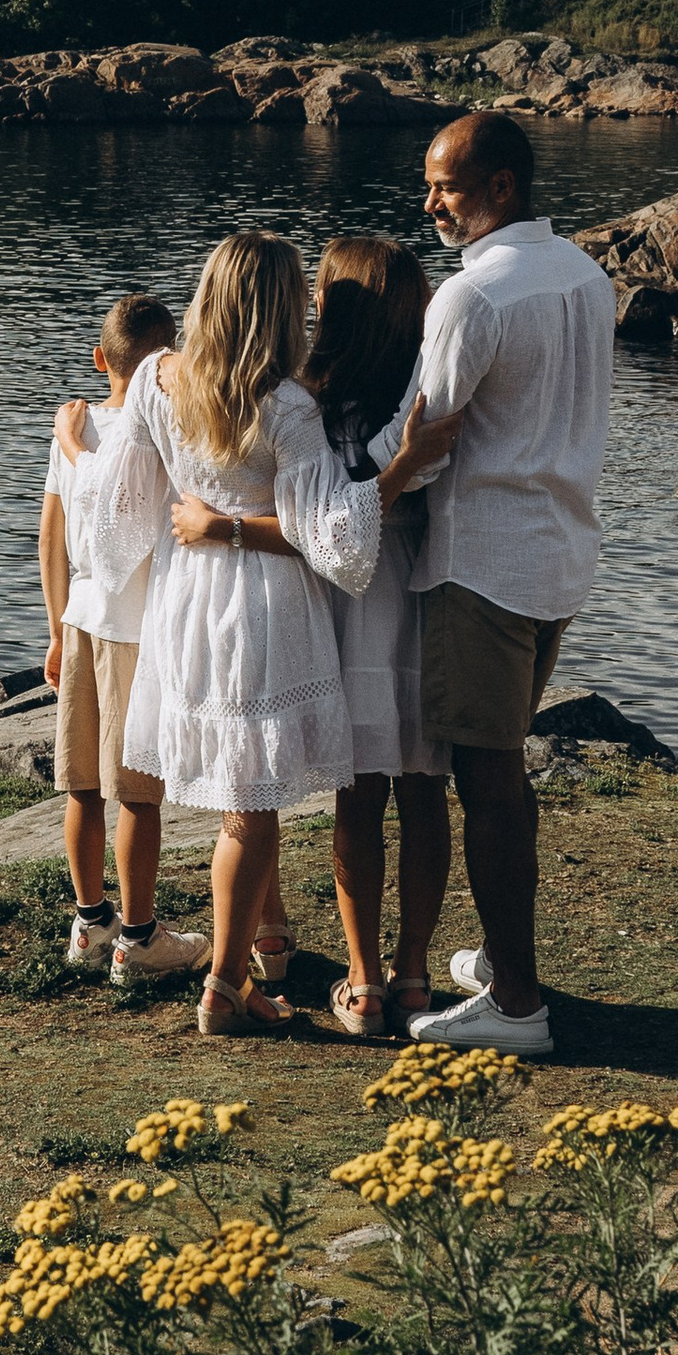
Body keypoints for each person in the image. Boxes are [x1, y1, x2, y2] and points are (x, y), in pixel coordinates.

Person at [67, 230, 455, 1040]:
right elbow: (335, 537)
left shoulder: (153, 380)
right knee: (251, 807)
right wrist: (401, 466)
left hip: (185, 603)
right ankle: (222, 987)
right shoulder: (288, 407)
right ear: (281, 306)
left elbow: (123, 513)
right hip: (263, 609)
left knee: (236, 804)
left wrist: (78, 454)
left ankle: (243, 969)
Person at [399, 110, 617, 1059]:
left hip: (481, 564)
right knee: (503, 773)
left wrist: (332, 478)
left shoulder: (473, 298)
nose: (432, 202)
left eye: (447, 185)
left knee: (486, 780)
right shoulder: (585, 275)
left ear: (502, 187)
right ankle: (500, 957)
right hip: (561, 552)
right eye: (431, 184)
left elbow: (426, 433)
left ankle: (518, 1005)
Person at [299, 234, 453, 1042]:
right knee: (426, 788)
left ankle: (360, 983)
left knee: (358, 797)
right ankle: (415, 974)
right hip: (428, 592)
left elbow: (322, 511)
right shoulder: (430, 382)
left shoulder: (313, 393)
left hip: (352, 601)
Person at [38, 291, 206, 988]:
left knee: (83, 785)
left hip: (81, 620)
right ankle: (137, 940)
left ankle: (89, 921)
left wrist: (54, 629)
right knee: (137, 792)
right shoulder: (173, 431)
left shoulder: (76, 428)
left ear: (100, 357)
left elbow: (52, 538)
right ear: (170, 362)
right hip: (139, 633)